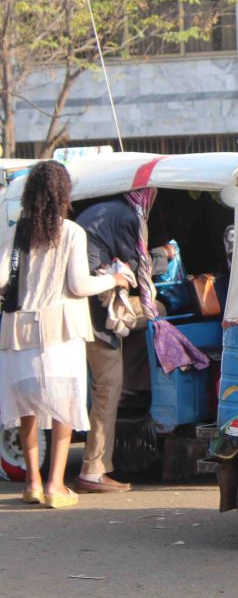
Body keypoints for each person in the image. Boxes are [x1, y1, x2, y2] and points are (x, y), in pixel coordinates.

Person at [0, 161, 130, 508]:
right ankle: (56, 485)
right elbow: (79, 284)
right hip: (59, 331)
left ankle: (32, 482)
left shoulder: (16, 233)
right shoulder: (71, 232)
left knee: (27, 409)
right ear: (63, 194)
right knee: (63, 409)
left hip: (16, 333)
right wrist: (114, 280)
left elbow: (1, 279)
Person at [74, 189, 158, 494]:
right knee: (108, 387)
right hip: (97, 312)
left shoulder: (102, 212)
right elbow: (136, 267)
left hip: (80, 310)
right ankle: (93, 471)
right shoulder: (126, 217)